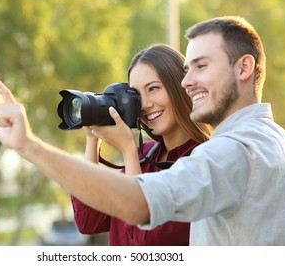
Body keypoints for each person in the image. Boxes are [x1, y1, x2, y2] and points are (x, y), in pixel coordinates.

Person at [0, 16, 285, 245]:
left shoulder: (224, 153)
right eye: (187, 69)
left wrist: (30, 146)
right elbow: (90, 221)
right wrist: (93, 140)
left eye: (201, 66)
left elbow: (142, 217)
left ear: (244, 68)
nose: (187, 81)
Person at [71, 44, 211, 245]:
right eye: (137, 95)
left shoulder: (204, 161)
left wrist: (128, 151)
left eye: (153, 88)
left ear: (180, 87)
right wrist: (93, 139)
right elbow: (88, 221)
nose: (145, 105)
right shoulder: (144, 156)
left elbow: (148, 240)